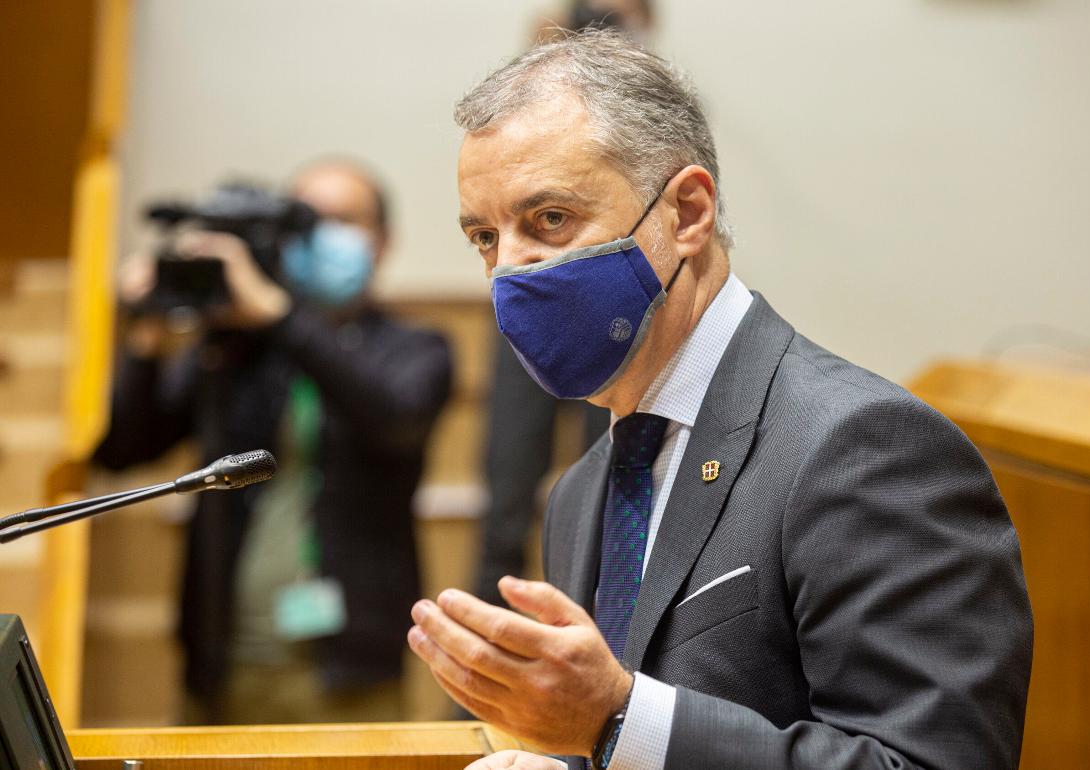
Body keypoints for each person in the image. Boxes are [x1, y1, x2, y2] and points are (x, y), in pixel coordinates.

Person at [407, 30, 1032, 770]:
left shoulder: (864, 445)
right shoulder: (583, 489)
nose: (510, 270)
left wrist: (616, 722)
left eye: (549, 219)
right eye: (485, 236)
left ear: (688, 213)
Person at [94, 160, 453, 724]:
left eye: (342, 219)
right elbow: (123, 451)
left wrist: (280, 314)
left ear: (383, 241)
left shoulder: (414, 348)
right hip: (220, 663)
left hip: (347, 671)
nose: (319, 234)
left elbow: (395, 423)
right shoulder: (237, 350)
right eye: (305, 219)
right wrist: (146, 335)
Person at [474, 0, 656, 611]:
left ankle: (597, 631)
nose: (603, 20)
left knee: (606, 470)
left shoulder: (651, 96)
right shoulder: (536, 73)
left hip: (612, 297)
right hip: (529, 297)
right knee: (506, 484)